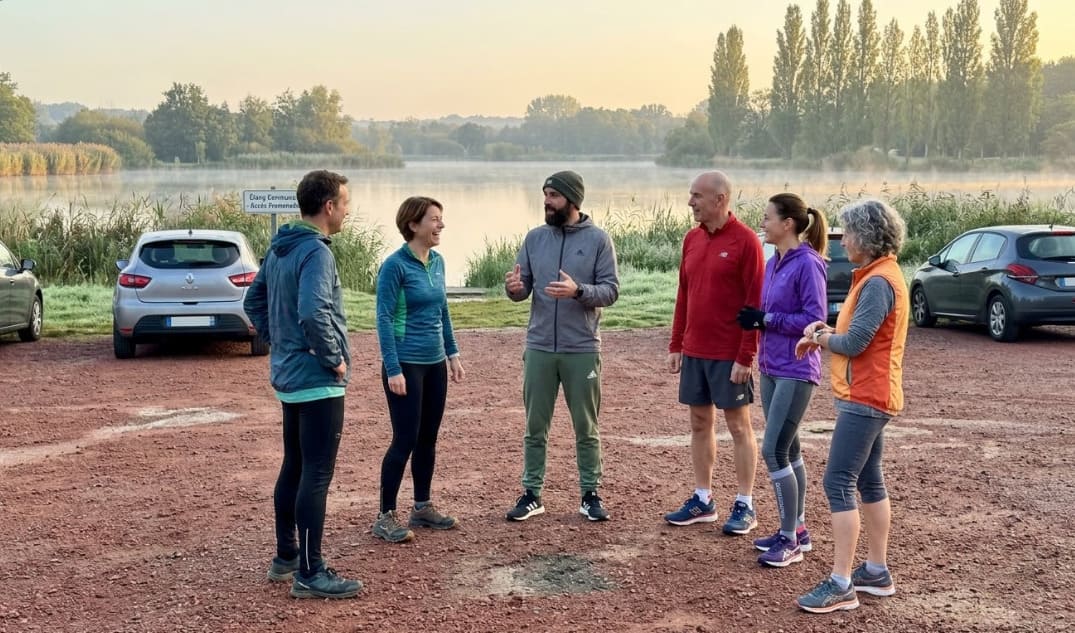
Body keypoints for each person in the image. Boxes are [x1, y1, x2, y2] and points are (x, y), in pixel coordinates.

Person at [244, 169, 361, 600]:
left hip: (289, 377)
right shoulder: (316, 251)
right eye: (345, 202)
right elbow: (313, 310)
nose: (348, 210)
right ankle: (311, 574)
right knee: (316, 473)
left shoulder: (280, 248)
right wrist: (332, 359)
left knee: (294, 464)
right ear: (328, 206)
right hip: (317, 381)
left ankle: (286, 556)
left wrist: (282, 343)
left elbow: (251, 300)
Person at [792, 198, 909, 614]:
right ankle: (875, 571)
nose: (844, 243)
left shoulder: (878, 282)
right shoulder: (880, 276)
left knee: (837, 481)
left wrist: (820, 338)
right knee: (868, 481)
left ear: (867, 237)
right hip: (873, 395)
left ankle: (842, 583)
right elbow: (859, 334)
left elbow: (855, 344)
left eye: (849, 235)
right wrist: (827, 330)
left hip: (866, 397)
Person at [503, 170, 619, 522]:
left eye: (553, 195)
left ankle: (590, 494)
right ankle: (531, 494)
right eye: (544, 194)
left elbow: (611, 291)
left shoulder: (599, 240)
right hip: (539, 345)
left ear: (572, 199)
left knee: (586, 427)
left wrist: (579, 291)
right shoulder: (535, 238)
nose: (546, 202)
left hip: (581, 347)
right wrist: (514, 288)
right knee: (534, 427)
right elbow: (522, 290)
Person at [664, 170, 764, 535]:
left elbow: (755, 303)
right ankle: (703, 499)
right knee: (699, 422)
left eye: (696, 196)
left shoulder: (746, 242)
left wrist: (745, 356)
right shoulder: (691, 239)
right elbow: (684, 295)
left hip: (729, 354)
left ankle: (745, 504)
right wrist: (677, 344)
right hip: (695, 351)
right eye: (691, 196)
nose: (690, 202)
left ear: (720, 199)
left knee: (739, 425)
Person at [736, 193, 828, 567]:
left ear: (787, 223)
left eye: (767, 217)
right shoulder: (774, 262)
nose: (762, 223)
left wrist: (766, 320)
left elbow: (816, 319)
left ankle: (789, 539)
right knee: (789, 450)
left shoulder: (808, 263)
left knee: (772, 450)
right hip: (772, 367)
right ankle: (798, 529)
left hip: (797, 369)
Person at [372, 196, 465, 543]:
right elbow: (382, 318)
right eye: (434, 219)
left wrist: (452, 353)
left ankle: (422, 507)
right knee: (405, 439)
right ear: (414, 225)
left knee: (428, 438)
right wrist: (393, 367)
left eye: (441, 219)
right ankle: (385, 516)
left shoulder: (437, 261)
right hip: (405, 365)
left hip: (434, 364)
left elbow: (443, 311)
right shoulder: (395, 266)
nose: (441, 225)